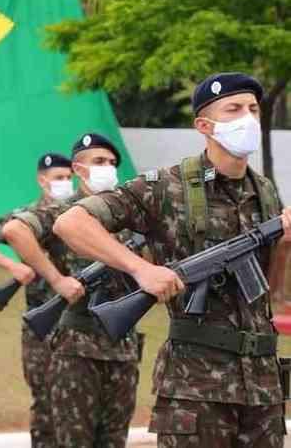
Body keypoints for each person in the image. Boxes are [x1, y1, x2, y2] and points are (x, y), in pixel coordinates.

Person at [53, 72, 291, 447]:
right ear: (204, 125)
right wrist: (141, 269)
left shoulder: (265, 192)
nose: (247, 117)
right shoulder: (166, 186)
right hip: (196, 387)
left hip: (262, 388)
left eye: (252, 109)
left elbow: (270, 294)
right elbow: (71, 222)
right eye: (234, 109)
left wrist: (285, 244)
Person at [0, 134, 141, 448]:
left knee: (114, 441)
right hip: (77, 349)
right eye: (99, 162)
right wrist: (56, 279)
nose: (109, 168)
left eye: (113, 163)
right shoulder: (64, 210)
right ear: (79, 168)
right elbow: (14, 230)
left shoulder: (128, 213)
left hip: (123, 350)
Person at [0, 152, 73, 447]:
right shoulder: (26, 217)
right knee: (45, 401)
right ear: (42, 180)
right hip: (42, 323)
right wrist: (13, 266)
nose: (65, 184)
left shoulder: (79, 214)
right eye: (58, 178)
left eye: (68, 178)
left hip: (78, 325)